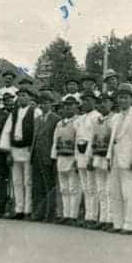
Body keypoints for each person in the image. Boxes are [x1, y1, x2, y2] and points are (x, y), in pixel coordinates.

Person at [107, 83, 132, 234]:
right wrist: (108, 156)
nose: (122, 101)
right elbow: (112, 139)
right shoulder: (116, 117)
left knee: (129, 193)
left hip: (129, 159)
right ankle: (117, 223)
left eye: (125, 98)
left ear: (131, 98)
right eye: (120, 98)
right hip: (116, 158)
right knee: (115, 192)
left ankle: (129, 224)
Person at [0, 88, 42, 220]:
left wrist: (34, 148)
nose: (22, 98)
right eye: (20, 96)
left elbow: (38, 131)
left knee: (28, 181)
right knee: (17, 181)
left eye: (24, 95)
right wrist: (8, 151)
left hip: (28, 149)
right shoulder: (14, 113)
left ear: (29, 98)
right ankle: (18, 209)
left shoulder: (36, 112)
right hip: (15, 148)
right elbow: (7, 131)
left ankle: (28, 209)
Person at [31, 91, 60, 223]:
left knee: (49, 185)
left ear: (51, 104)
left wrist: (53, 157)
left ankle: (50, 213)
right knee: (37, 185)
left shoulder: (55, 119)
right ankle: (38, 212)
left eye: (46, 102)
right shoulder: (37, 119)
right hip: (36, 155)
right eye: (41, 103)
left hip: (48, 156)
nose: (43, 105)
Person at [51, 96, 80, 226]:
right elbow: (55, 141)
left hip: (72, 157)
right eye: (66, 105)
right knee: (64, 188)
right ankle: (65, 214)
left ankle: (73, 215)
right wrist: (54, 157)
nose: (68, 107)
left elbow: (80, 140)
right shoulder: (60, 123)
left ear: (76, 106)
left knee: (74, 187)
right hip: (61, 157)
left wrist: (77, 159)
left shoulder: (78, 122)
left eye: (71, 105)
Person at [74, 91, 101, 228]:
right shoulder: (80, 118)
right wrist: (75, 157)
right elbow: (77, 137)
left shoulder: (97, 117)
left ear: (94, 102)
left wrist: (90, 157)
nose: (85, 103)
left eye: (88, 100)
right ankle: (87, 215)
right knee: (84, 187)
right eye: (84, 100)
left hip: (89, 154)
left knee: (92, 187)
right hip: (80, 154)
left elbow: (94, 138)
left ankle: (92, 216)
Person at [91, 94, 114, 230]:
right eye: (100, 102)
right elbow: (91, 138)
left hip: (108, 157)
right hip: (97, 157)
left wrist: (111, 157)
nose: (102, 105)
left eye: (105, 102)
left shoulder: (114, 118)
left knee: (109, 190)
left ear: (111, 103)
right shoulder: (97, 119)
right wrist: (90, 157)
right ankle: (102, 218)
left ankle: (110, 219)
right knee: (100, 189)